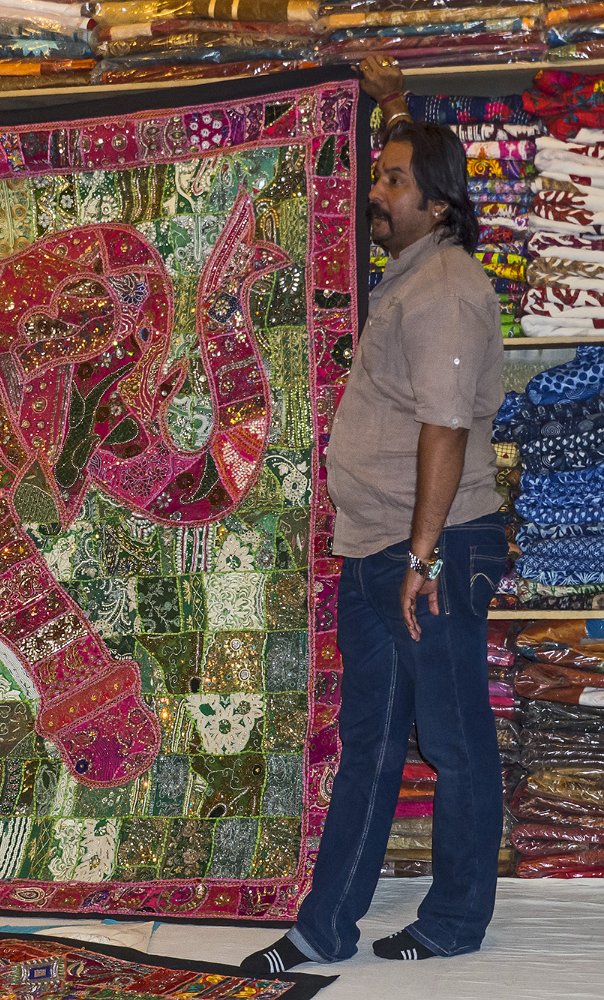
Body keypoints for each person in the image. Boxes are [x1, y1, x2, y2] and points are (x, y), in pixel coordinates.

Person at [242, 57, 509, 969]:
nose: (377, 193)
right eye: (379, 177)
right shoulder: (414, 279)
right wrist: (394, 105)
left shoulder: (446, 293)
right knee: (372, 743)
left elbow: (446, 428)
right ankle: (323, 930)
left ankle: (455, 922)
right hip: (382, 545)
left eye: (394, 181)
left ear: (437, 204)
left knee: (454, 738)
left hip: (428, 550)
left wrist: (423, 559)